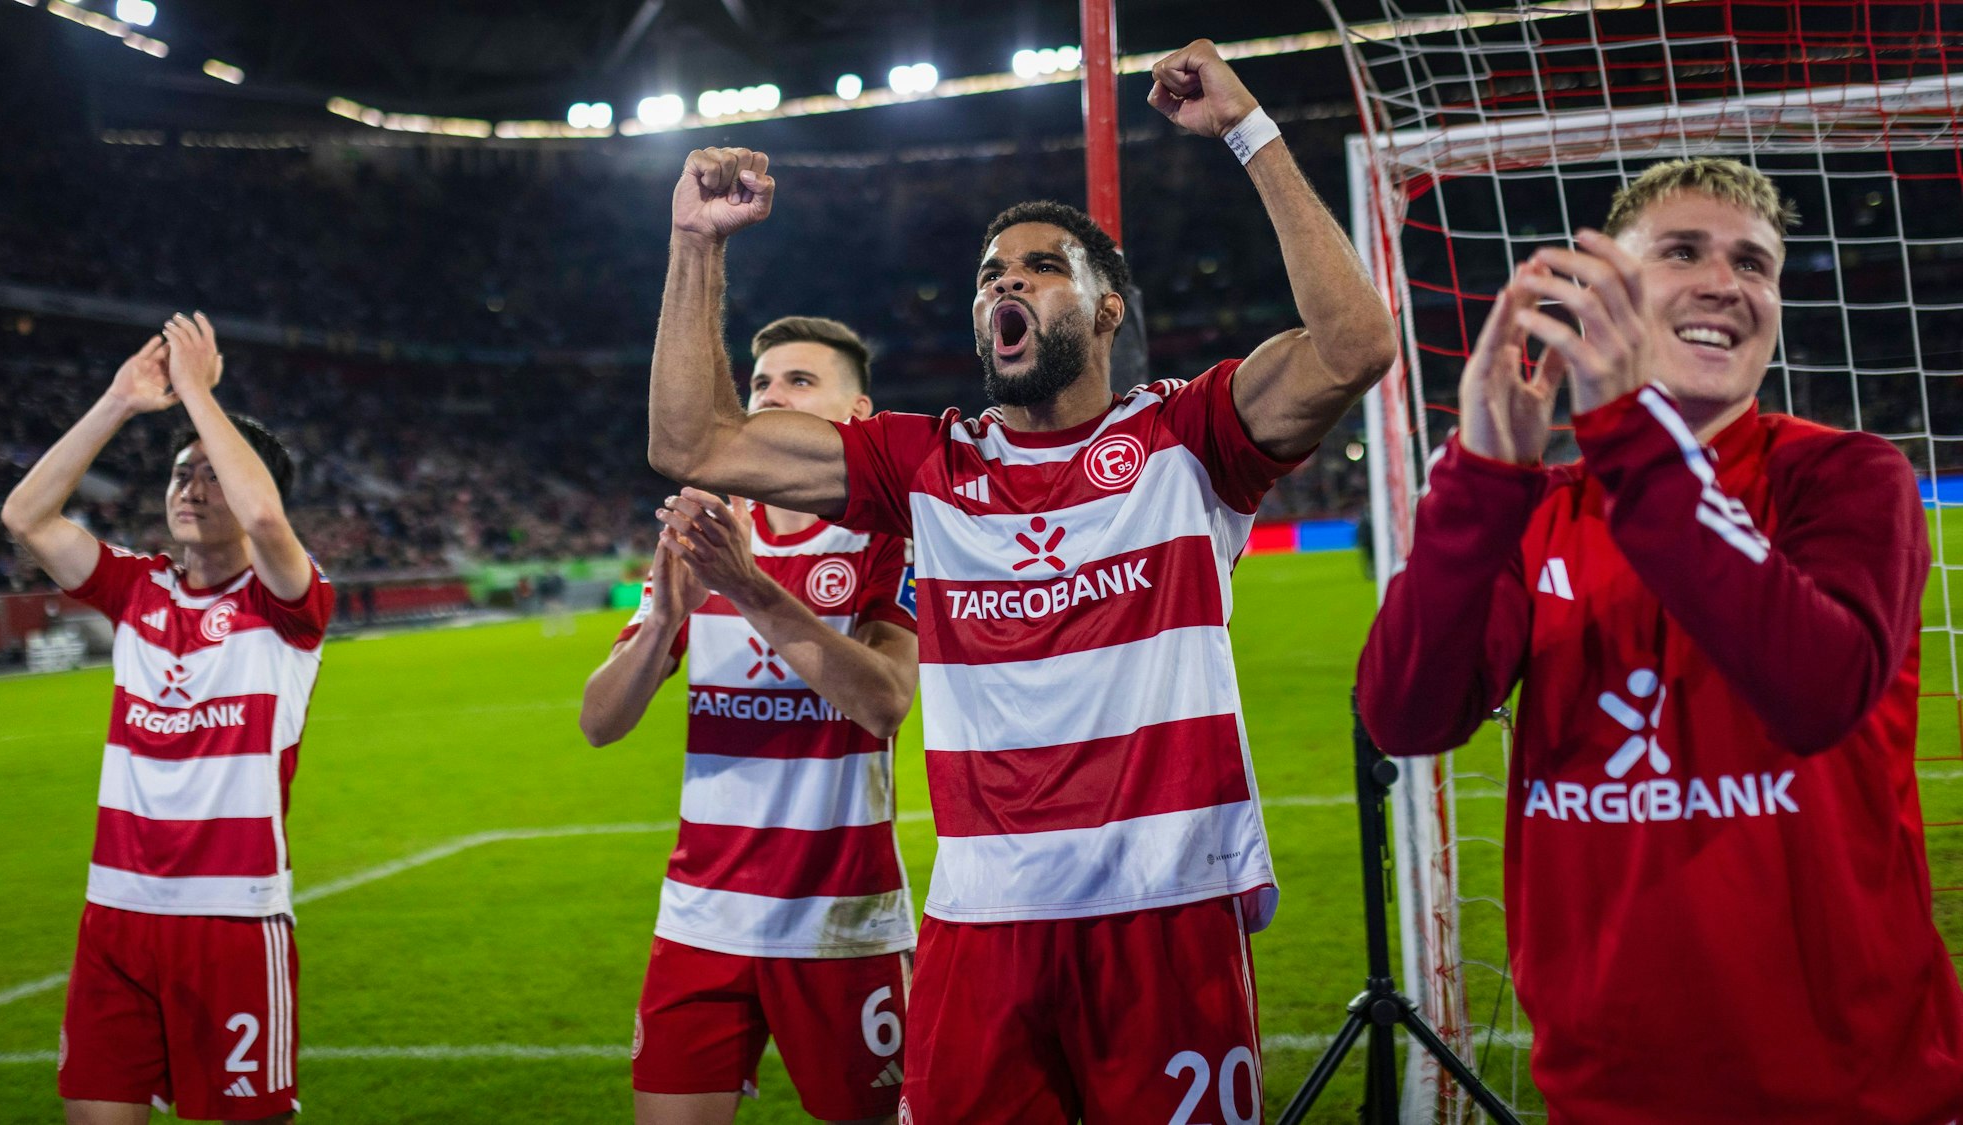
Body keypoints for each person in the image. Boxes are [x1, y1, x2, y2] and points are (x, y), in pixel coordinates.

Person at [643, 39, 1396, 1123]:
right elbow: (694, 443)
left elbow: (1355, 344)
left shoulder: (1187, 438)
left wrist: (1247, 129)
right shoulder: (924, 465)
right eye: (991, 272)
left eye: (1039, 266)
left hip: (1167, 908)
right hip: (982, 921)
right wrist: (694, 241)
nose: (1005, 279)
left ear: (1103, 310)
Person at [1356, 158, 1963, 1123]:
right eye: (1683, 252)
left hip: (1854, 1092)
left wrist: (1624, 431)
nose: (1728, 282)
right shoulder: (1534, 513)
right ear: (1607, 291)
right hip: (1604, 1093)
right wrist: (1478, 480)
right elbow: (1406, 714)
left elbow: (1818, 690)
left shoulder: (1848, 478)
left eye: (1755, 265)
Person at [582, 316, 920, 1125]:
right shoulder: (703, 536)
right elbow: (599, 720)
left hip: (842, 921)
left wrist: (751, 588)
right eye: (761, 381)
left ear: (859, 416)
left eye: (799, 381)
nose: (769, 395)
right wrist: (664, 620)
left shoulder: (886, 537)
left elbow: (883, 703)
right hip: (703, 915)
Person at [1, 314, 332, 1125]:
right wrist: (119, 401)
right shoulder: (135, 587)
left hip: (230, 916)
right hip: (114, 913)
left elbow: (263, 523)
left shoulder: (288, 600)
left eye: (210, 472)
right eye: (181, 473)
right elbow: (26, 518)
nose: (190, 486)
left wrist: (196, 392)